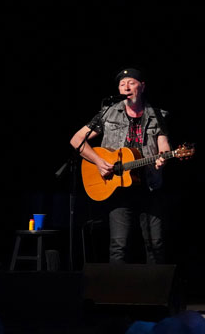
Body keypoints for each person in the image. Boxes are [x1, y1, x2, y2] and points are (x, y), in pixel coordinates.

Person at [70, 67, 171, 264]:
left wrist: (163, 158)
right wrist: (99, 162)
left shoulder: (158, 115)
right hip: (118, 189)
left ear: (142, 87)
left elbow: (164, 145)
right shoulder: (108, 113)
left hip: (149, 186)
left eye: (131, 83)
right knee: (119, 245)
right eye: (122, 84)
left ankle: (154, 293)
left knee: (156, 245)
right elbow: (77, 140)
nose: (126, 87)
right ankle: (115, 294)